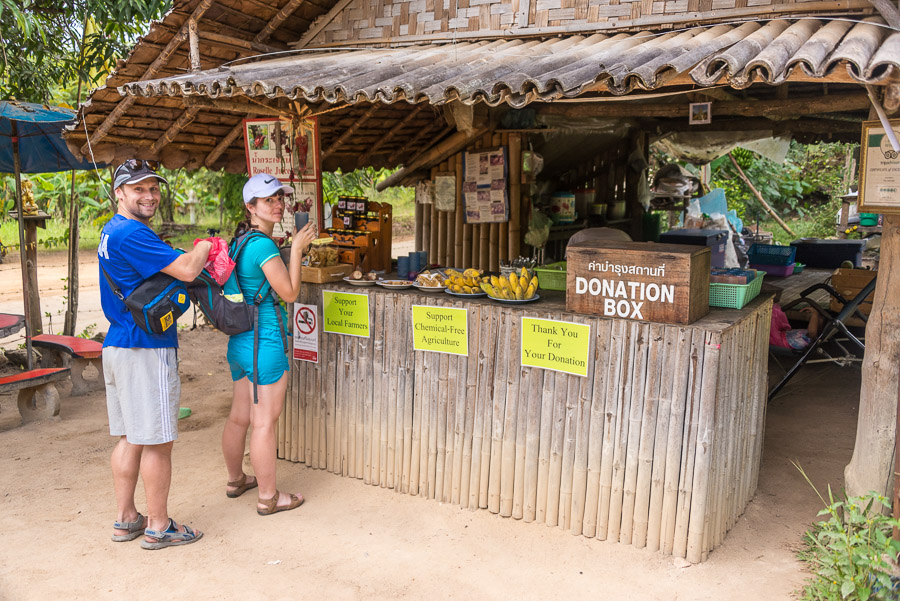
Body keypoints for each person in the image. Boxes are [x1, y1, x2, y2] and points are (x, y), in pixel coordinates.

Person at [99, 159, 213, 550]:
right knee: (157, 441)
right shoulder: (131, 232)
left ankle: (127, 518)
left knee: (131, 436)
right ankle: (159, 526)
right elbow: (186, 268)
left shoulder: (112, 230)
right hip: (144, 349)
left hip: (117, 344)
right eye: (138, 189)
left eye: (153, 188)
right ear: (119, 193)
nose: (149, 195)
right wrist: (204, 245)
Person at [221, 172, 316, 515]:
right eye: (268, 200)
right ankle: (269, 497)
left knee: (239, 417)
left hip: (240, 340)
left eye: (279, 198)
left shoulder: (241, 241)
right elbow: (289, 293)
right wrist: (298, 251)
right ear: (251, 207)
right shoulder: (262, 244)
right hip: (264, 340)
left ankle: (236, 480)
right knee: (264, 422)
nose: (277, 205)